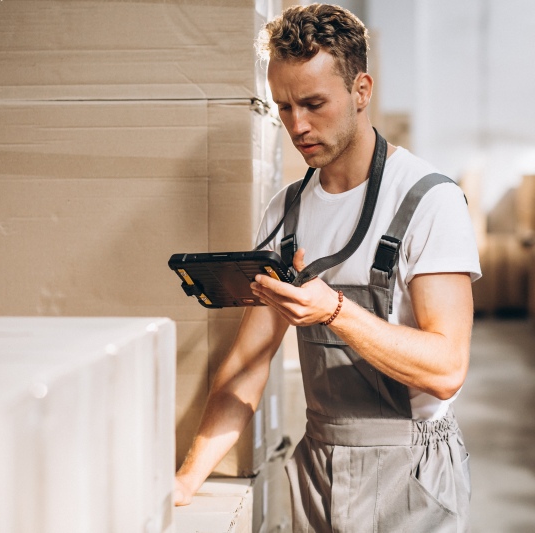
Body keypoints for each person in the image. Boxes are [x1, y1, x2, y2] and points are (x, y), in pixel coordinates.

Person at [174, 4, 481, 531]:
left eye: (314, 104)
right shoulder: (285, 212)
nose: (298, 125)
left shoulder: (429, 200)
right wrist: (184, 481)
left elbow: (447, 367)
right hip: (319, 465)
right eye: (284, 106)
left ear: (362, 91)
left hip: (410, 472)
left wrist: (335, 310)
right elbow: (248, 365)